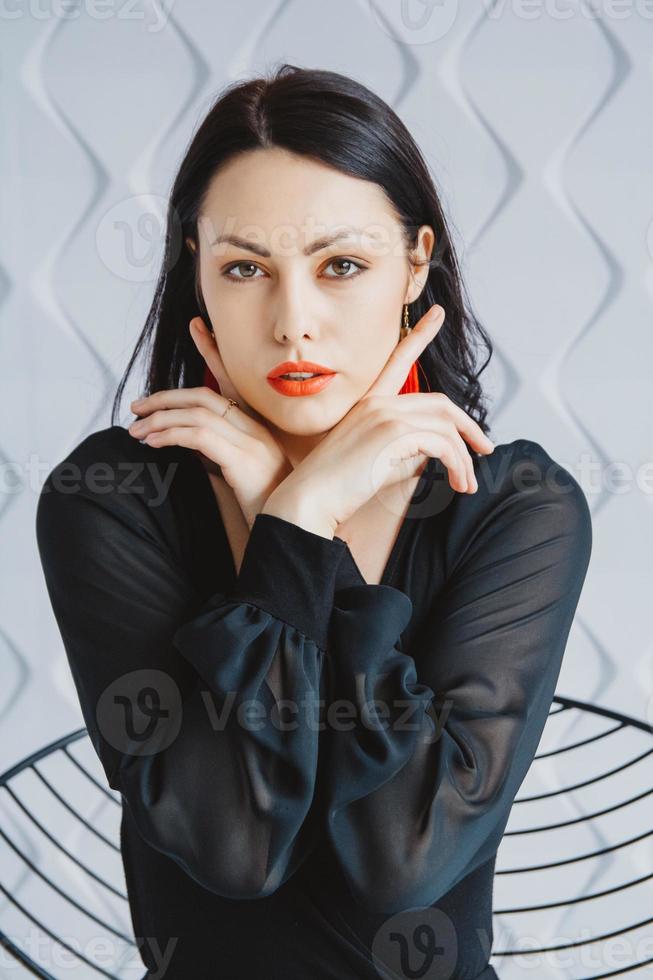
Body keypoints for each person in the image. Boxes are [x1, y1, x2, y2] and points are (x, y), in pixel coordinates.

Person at [35, 64, 592, 980]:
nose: (295, 323)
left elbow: (400, 863)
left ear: (416, 262)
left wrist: (290, 523)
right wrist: (297, 520)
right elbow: (234, 850)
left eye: (341, 265)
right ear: (195, 270)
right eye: (245, 267)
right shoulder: (112, 495)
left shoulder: (511, 505)